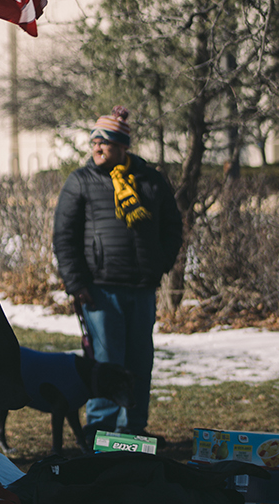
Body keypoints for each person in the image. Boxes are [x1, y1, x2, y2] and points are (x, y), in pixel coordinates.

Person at [52, 106, 183, 436]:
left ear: (123, 146)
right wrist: (76, 282)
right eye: (93, 142)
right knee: (107, 364)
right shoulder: (81, 181)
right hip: (99, 291)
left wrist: (159, 265)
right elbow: (63, 236)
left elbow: (173, 228)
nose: (96, 147)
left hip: (141, 289)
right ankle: (100, 431)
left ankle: (133, 431)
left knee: (140, 363)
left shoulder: (150, 181)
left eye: (104, 141)